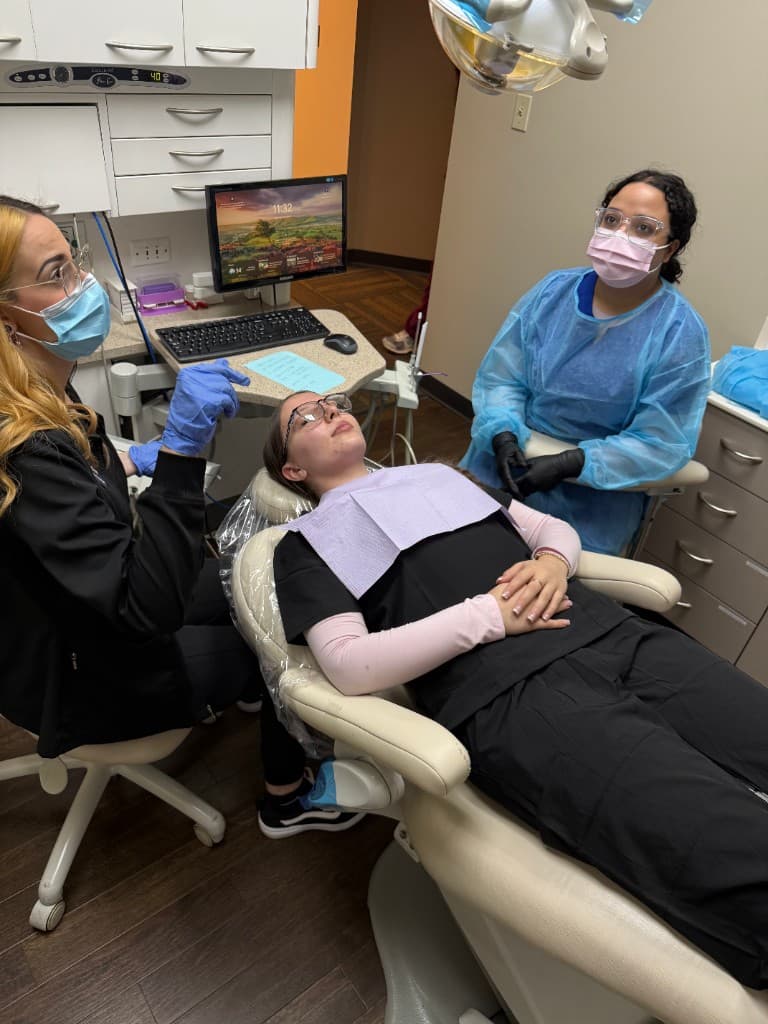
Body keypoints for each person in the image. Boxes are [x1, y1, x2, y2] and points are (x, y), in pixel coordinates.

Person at [261, 389, 768, 989]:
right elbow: (349, 664)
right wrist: (488, 617)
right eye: (306, 417)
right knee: (730, 844)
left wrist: (553, 563)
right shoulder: (305, 544)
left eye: (334, 402)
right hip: (513, 692)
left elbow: (552, 529)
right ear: (292, 470)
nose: (331, 412)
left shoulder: (439, 477)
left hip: (612, 632)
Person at [0, 196, 361, 839]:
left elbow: (74, 488)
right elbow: (146, 608)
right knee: (279, 639)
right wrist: (180, 454)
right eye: (56, 274)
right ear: (6, 315)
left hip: (75, 610)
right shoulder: (23, 446)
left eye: (74, 261)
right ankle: (286, 800)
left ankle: (244, 685)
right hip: (86, 672)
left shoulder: (38, 390)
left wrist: (126, 457)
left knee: (256, 581)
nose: (83, 285)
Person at [460, 169, 711, 555]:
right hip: (504, 466)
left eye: (643, 228)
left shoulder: (679, 332)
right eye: (611, 220)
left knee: (534, 585)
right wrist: (503, 433)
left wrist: (574, 463)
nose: (620, 236)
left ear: (670, 248)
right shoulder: (553, 292)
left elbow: (661, 441)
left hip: (591, 501)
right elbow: (502, 379)